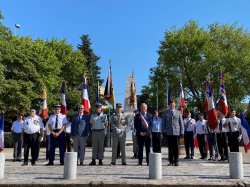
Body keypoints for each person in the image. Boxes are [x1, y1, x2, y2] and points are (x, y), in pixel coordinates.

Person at [162, 100, 184, 166]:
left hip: (176, 132)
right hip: (168, 132)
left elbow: (181, 123)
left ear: (175, 105)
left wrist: (182, 132)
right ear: (169, 105)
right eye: (171, 104)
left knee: (176, 147)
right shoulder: (165, 112)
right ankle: (171, 161)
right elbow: (163, 123)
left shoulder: (178, 112)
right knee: (170, 147)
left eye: (173, 104)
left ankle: (176, 161)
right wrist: (163, 131)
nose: (172, 105)